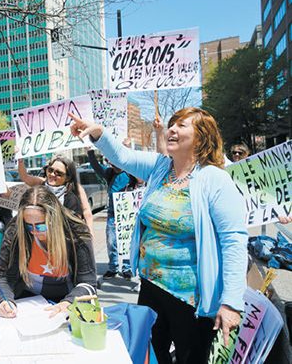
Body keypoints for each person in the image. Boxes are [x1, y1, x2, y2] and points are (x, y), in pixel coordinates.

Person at [69, 108, 248, 363]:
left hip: (190, 299)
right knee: (150, 355)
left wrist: (231, 302)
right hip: (151, 287)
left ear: (201, 137)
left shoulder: (214, 180)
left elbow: (234, 241)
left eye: (182, 125)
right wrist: (98, 132)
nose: (172, 129)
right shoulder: (160, 167)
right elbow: (123, 156)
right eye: (172, 124)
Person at [0, 185, 97, 318]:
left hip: (67, 302)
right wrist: (4, 300)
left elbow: (88, 283)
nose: (34, 231)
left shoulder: (77, 233)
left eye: (41, 225)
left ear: (54, 218)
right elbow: (0, 276)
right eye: (28, 225)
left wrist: (68, 302)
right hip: (26, 304)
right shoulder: (16, 230)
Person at [87, 143, 137, 280]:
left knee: (126, 242)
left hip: (128, 215)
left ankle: (127, 268)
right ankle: (113, 267)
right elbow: (96, 167)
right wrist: (90, 152)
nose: (114, 166)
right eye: (112, 163)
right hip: (112, 215)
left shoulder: (130, 173)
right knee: (111, 241)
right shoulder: (109, 173)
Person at [17, 156, 94, 231]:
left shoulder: (73, 195)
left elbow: (86, 212)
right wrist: (20, 160)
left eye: (59, 173)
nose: (53, 174)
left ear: (68, 177)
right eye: (50, 170)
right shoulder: (42, 183)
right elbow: (25, 177)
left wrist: (90, 235)